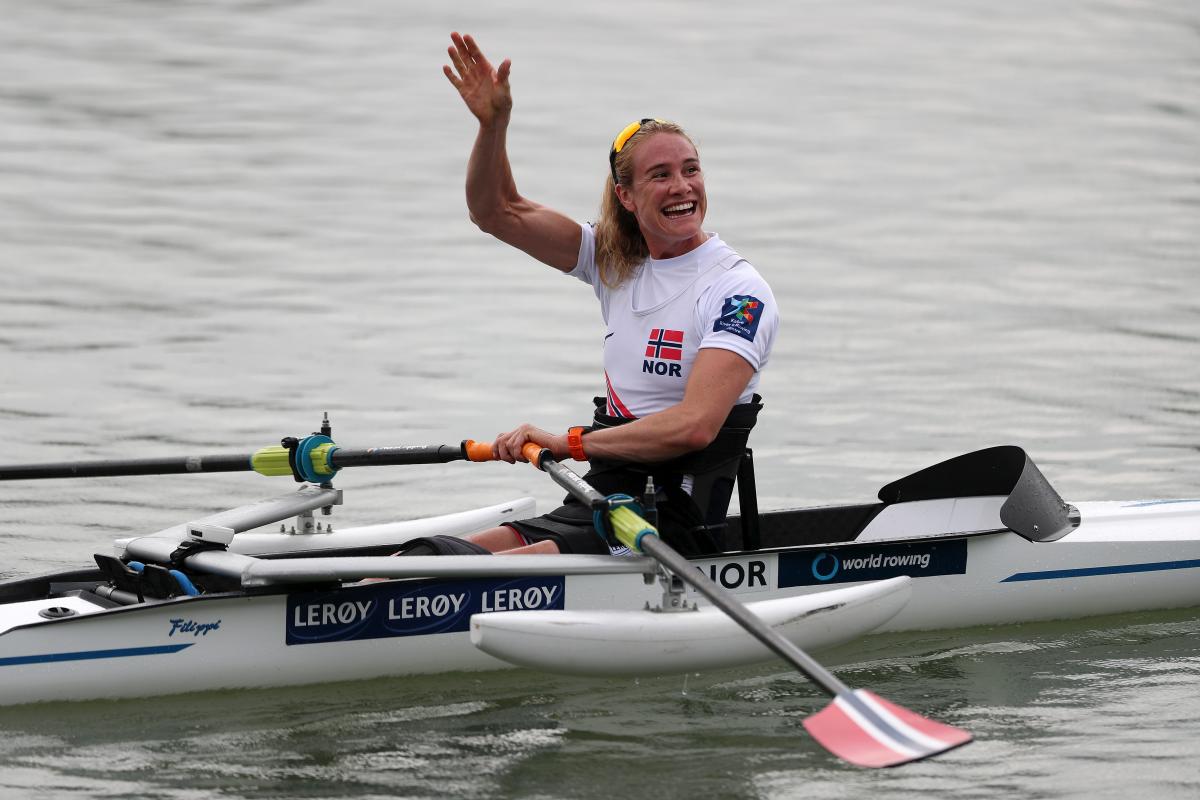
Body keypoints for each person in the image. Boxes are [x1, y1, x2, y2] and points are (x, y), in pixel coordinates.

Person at [440, 32, 778, 557]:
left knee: (462, 578)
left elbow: (693, 427)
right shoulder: (613, 261)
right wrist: (493, 125)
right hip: (599, 503)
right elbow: (495, 212)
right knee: (425, 561)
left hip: (671, 523)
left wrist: (568, 442)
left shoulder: (736, 292)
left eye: (691, 170)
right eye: (660, 176)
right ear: (626, 195)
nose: (683, 186)